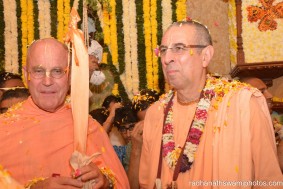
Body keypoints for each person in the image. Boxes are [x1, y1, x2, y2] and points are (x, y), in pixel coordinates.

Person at [139, 20, 283, 188]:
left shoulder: (243, 103)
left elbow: (268, 180)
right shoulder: (155, 113)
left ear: (205, 56)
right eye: (163, 50)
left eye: (179, 48)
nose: (167, 58)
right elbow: (146, 182)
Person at [0, 38, 129, 188]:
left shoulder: (88, 127)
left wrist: (106, 182)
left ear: (69, 76)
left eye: (57, 71)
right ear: (26, 75)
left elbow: (121, 183)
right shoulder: (4, 129)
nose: (47, 81)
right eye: (38, 71)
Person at [128, 89, 160, 189]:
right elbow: (133, 186)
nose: (146, 126)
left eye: (152, 120)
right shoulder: (136, 140)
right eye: (143, 121)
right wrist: (136, 150)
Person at [113, 105, 138, 171]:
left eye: (131, 128)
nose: (128, 134)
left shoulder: (149, 147)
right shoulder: (120, 152)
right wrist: (110, 119)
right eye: (123, 129)